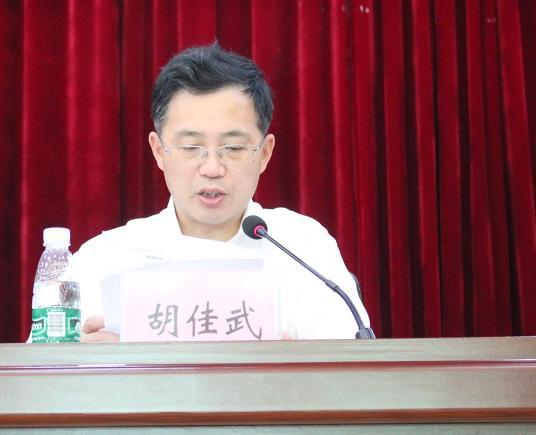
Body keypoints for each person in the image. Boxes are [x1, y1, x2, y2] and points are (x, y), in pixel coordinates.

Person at [77, 43, 370, 343]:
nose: (212, 168)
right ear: (159, 151)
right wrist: (89, 363)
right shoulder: (103, 259)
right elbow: (48, 366)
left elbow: (355, 368)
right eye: (191, 147)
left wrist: (292, 365)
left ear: (264, 153)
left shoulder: (305, 248)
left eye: (233, 148)